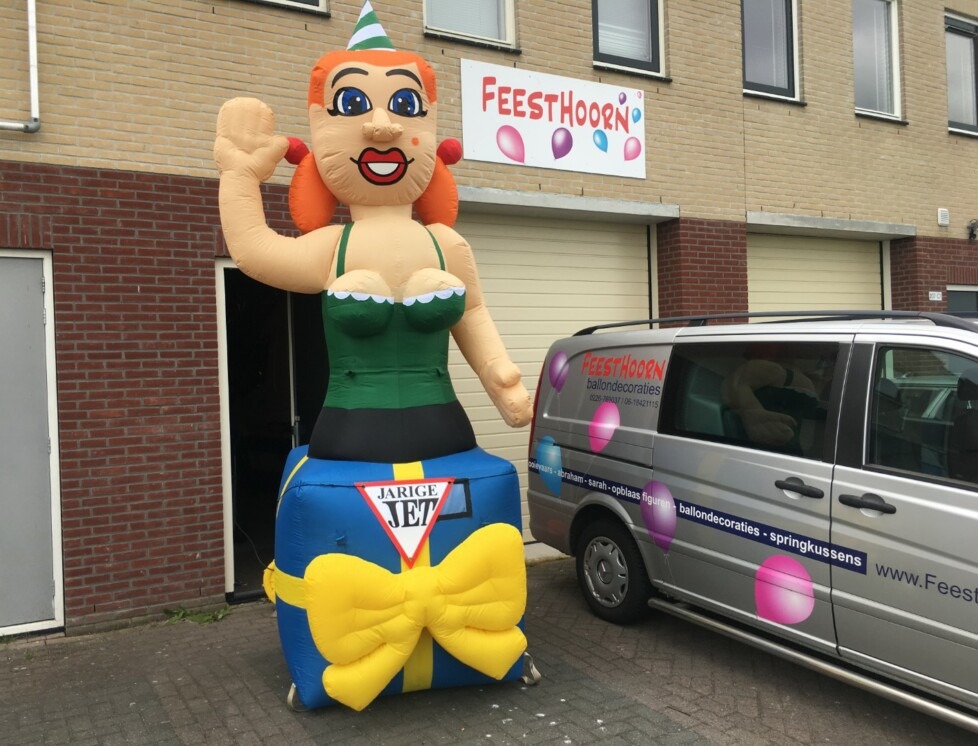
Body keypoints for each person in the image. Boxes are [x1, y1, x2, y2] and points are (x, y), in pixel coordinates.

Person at [214, 25, 530, 463]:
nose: (382, 127)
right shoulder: (335, 246)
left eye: (405, 105)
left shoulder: (445, 244)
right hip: (351, 434)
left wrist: (501, 378)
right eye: (352, 103)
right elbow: (254, 252)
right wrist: (240, 175)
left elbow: (473, 314)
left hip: (445, 431)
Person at [722, 344, 830, 452]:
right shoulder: (768, 369)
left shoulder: (802, 376)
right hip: (763, 446)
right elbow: (737, 387)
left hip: (783, 447)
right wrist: (751, 412)